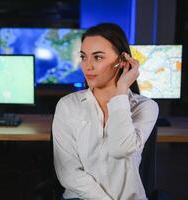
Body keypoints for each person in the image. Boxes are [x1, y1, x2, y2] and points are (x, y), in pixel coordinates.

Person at [52, 23, 159, 200]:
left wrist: (122, 89)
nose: (88, 66)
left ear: (122, 61)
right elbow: (68, 172)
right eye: (83, 57)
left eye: (98, 58)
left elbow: (120, 149)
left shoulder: (145, 107)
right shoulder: (67, 105)